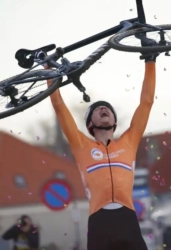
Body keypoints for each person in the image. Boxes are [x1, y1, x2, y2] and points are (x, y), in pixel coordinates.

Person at [37, 47, 158, 250]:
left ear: (114, 122)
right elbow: (59, 106)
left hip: (127, 219)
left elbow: (146, 102)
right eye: (97, 109)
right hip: (99, 222)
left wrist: (150, 60)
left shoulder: (129, 141)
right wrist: (49, 71)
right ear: (90, 125)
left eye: (108, 109)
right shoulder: (81, 144)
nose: (104, 109)